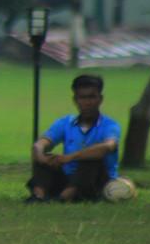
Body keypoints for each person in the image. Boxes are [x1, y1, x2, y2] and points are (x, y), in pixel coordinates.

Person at [26, 74, 121, 203]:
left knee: (92, 160)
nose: (87, 103)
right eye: (82, 98)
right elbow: (39, 145)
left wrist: (71, 157)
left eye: (92, 97)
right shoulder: (65, 123)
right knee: (49, 159)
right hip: (68, 178)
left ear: (100, 99)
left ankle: (64, 198)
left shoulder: (110, 125)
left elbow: (107, 147)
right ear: (75, 100)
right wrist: (42, 157)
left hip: (95, 183)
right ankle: (38, 197)